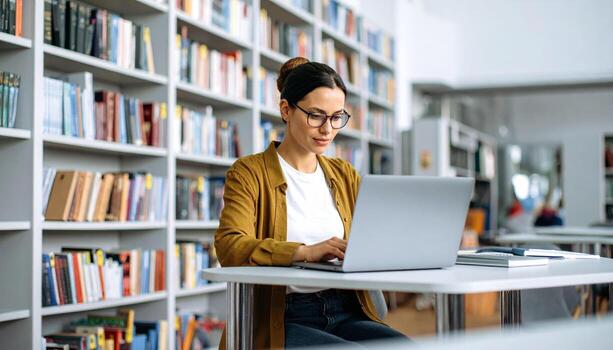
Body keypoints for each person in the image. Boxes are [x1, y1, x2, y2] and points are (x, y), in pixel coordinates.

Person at [215, 57, 408, 348]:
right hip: (285, 317)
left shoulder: (344, 174)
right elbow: (230, 247)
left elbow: (373, 237)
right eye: (316, 116)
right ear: (286, 110)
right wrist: (305, 252)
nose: (327, 129)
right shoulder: (249, 172)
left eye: (337, 117)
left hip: (347, 308)